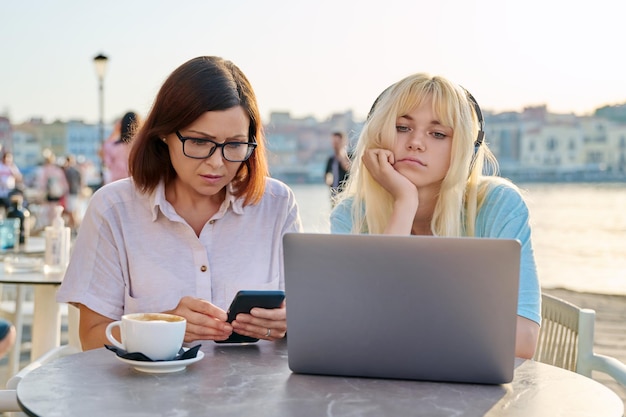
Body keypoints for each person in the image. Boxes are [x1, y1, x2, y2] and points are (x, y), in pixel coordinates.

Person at [57, 56, 303, 351]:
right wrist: (165, 325)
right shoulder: (113, 210)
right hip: (145, 395)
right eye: (200, 142)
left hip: (259, 394)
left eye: (235, 145)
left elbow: (307, 318)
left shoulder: (277, 205)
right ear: (163, 133)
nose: (217, 162)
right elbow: (93, 338)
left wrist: (292, 322)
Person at [330, 73, 541, 359]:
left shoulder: (498, 205)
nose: (416, 142)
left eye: (438, 134)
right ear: (378, 135)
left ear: (465, 150)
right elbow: (354, 332)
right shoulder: (350, 214)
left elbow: (523, 342)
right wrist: (404, 203)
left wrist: (399, 325)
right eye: (402, 127)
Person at [101, 111, 141, 184]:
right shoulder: (140, 146)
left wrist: (115, 132)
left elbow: (106, 160)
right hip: (136, 183)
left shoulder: (112, 146)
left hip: (116, 184)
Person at [324, 131, 350, 206]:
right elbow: (327, 174)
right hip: (334, 196)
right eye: (333, 142)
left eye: (337, 142)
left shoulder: (349, 156)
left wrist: (341, 155)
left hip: (346, 196)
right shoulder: (331, 160)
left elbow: (347, 168)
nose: (335, 145)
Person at [63, 154, 83, 231]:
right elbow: (81, 182)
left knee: (71, 210)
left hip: (70, 192)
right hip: (76, 192)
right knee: (74, 210)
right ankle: (74, 226)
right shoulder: (77, 170)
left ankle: (74, 226)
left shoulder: (68, 170)